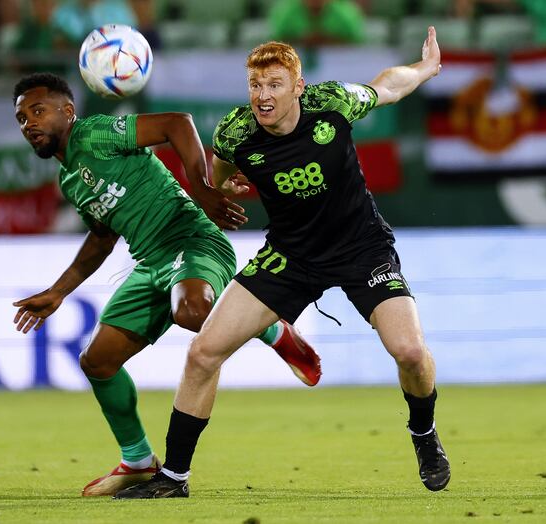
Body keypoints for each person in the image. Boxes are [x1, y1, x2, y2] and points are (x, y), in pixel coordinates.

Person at [115, 26, 449, 499]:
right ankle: (173, 478)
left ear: (299, 87)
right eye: (255, 86)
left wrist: (424, 68)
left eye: (275, 85)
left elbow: (386, 86)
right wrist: (225, 185)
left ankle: (423, 434)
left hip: (362, 249)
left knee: (411, 353)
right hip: (290, 255)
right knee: (203, 353)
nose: (263, 96)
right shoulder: (235, 131)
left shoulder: (332, 104)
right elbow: (222, 163)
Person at [11, 73, 322, 496]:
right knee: (97, 362)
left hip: (193, 241)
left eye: (38, 110)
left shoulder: (96, 132)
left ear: (68, 111)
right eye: (22, 117)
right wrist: (59, 291)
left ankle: (271, 326)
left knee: (192, 312)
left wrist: (203, 188)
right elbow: (103, 235)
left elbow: (178, 123)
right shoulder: (69, 179)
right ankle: (137, 461)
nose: (29, 122)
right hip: (149, 264)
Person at [269, 0, 366, 47]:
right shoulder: (286, 12)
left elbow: (355, 44)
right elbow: (277, 42)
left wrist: (327, 41)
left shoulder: (346, 13)